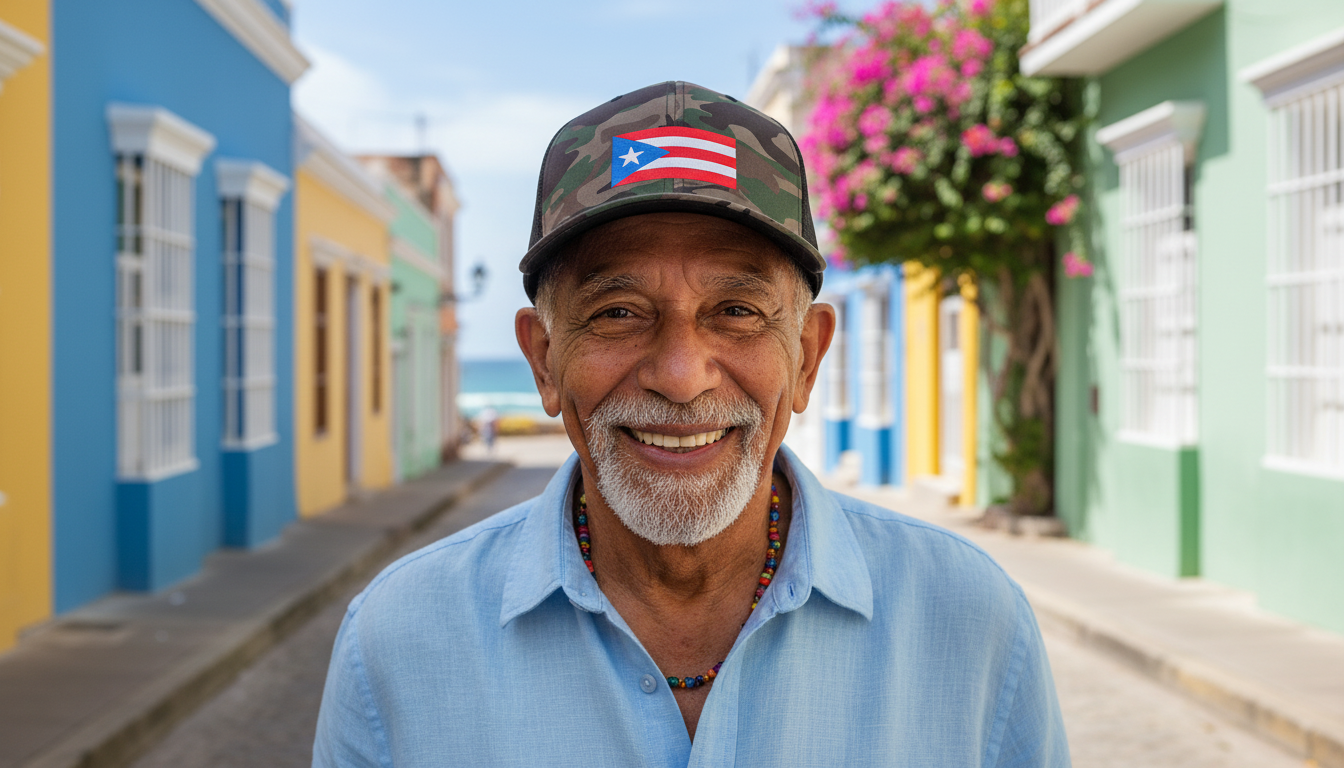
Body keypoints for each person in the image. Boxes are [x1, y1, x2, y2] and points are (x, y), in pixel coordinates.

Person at [314, 81, 1069, 767]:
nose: (680, 376)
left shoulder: (971, 625)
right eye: (617, 313)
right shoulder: (398, 644)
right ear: (543, 361)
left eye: (736, 312)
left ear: (806, 359)